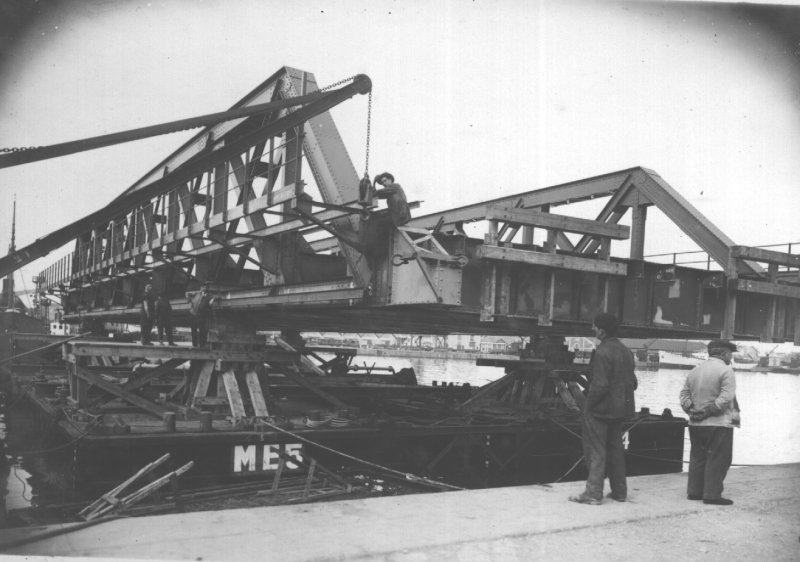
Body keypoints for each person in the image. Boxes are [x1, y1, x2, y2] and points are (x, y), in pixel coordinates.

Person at [569, 312, 638, 505]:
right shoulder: (626, 351)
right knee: (615, 450)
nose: (593, 329)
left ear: (602, 330)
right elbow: (633, 382)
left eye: (595, 327)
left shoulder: (602, 352)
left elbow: (599, 386)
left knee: (596, 450)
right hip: (620, 410)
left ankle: (593, 493)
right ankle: (619, 492)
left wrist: (587, 407)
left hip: (601, 410)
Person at [679, 339, 740, 506]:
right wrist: (708, 411)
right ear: (724, 353)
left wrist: (692, 411)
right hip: (718, 424)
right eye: (730, 354)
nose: (731, 358)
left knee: (698, 457)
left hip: (695, 424)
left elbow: (683, 395)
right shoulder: (726, 371)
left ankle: (694, 492)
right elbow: (726, 398)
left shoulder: (695, 371)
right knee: (718, 459)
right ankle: (712, 495)